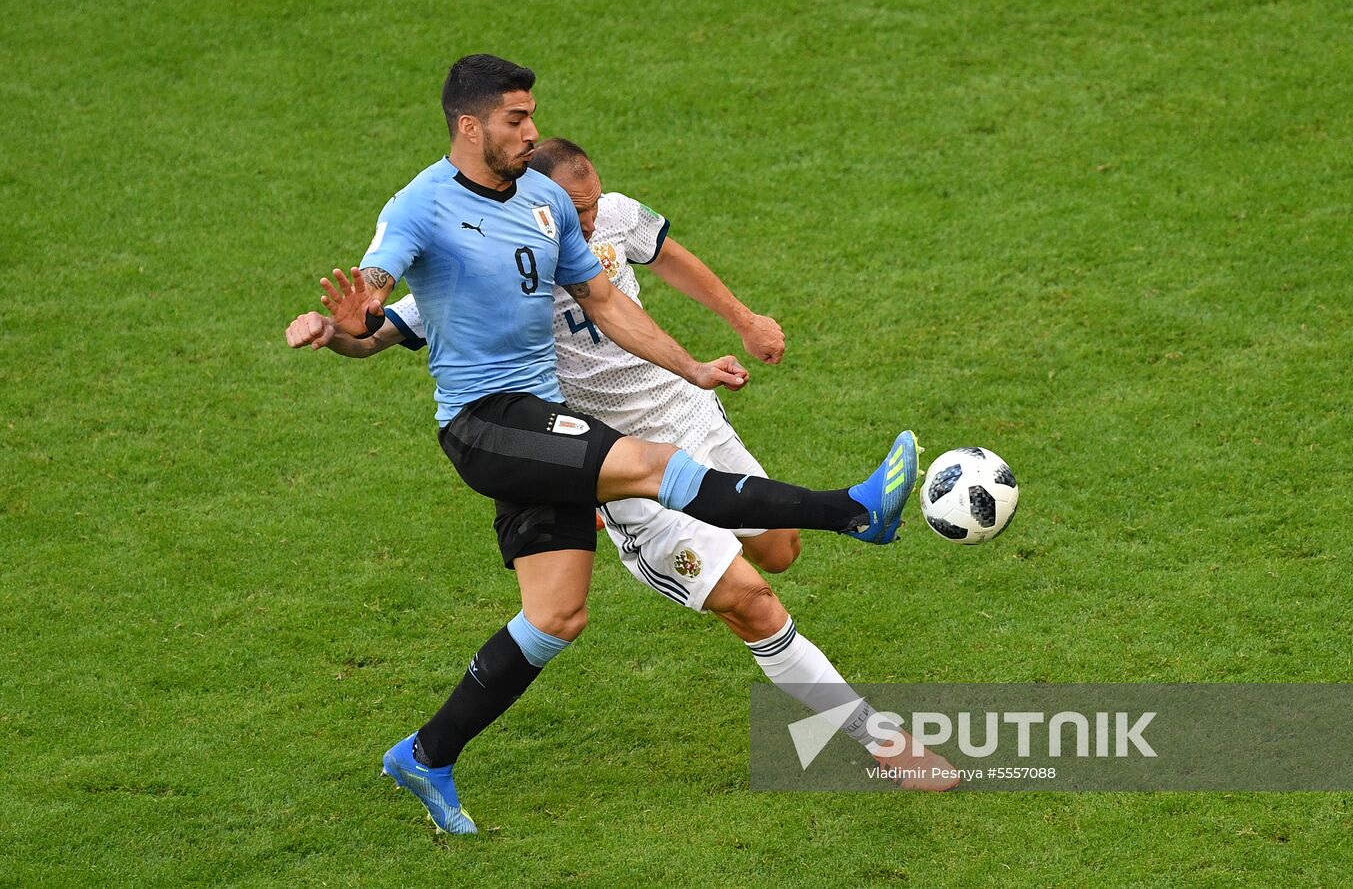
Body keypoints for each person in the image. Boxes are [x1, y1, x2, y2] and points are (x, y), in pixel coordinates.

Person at [292, 54, 926, 834]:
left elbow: (604, 296)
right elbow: (373, 312)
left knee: (555, 617)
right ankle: (856, 516)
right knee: (715, 550)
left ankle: (424, 756)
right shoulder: (422, 209)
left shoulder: (545, 202)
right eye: (515, 120)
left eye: (532, 118)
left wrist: (694, 363)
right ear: (470, 125)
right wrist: (342, 328)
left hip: (549, 431)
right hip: (492, 422)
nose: (529, 131)